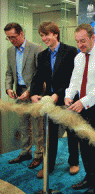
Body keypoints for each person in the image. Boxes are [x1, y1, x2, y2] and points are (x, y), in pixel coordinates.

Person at [65, 23, 95, 194]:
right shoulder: (78, 58)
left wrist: (83, 101)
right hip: (83, 105)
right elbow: (75, 80)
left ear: (93, 38)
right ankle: (89, 177)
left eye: (83, 41)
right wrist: (69, 95)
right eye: (77, 41)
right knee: (84, 144)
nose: (80, 45)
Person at [30, 21, 79, 178]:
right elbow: (37, 78)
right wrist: (33, 93)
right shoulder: (42, 55)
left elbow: (72, 78)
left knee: (72, 133)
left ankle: (74, 162)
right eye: (42, 36)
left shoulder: (71, 51)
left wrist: (59, 93)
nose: (44, 38)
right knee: (50, 135)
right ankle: (48, 166)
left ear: (55, 34)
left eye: (46, 35)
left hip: (67, 98)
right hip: (50, 101)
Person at [4, 22, 44, 169]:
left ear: (21, 34)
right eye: (8, 38)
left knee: (37, 126)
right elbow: (9, 72)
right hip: (19, 92)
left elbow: (40, 74)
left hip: (34, 94)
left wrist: (31, 91)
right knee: (23, 125)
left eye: (13, 37)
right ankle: (25, 151)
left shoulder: (36, 48)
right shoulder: (10, 51)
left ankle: (39, 155)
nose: (12, 40)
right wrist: (8, 88)